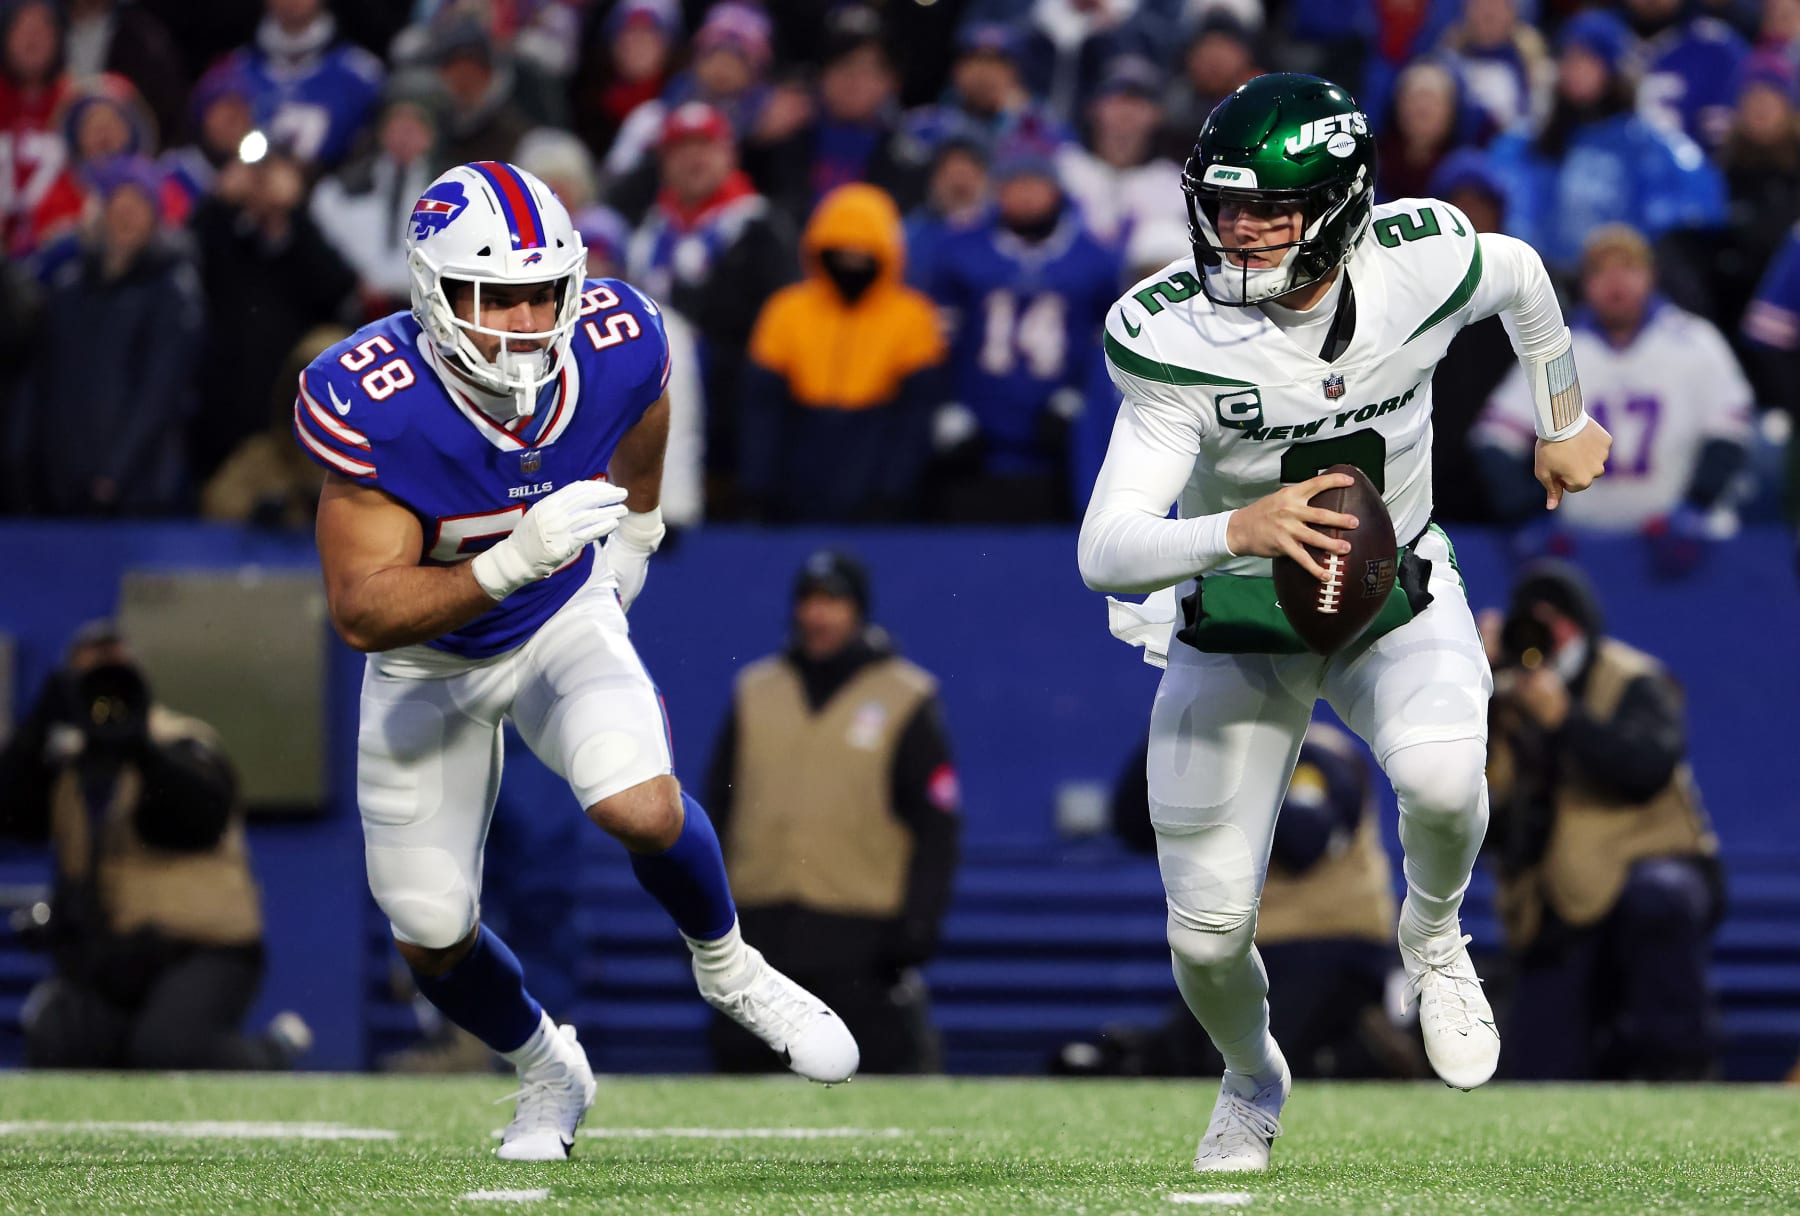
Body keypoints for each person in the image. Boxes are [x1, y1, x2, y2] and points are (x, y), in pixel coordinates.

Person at [1077, 73, 1611, 1172]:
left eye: (1269, 211)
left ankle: (1435, 934)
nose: (1239, 231)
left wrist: (1565, 417)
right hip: (1236, 616)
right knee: (1209, 933)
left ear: (1340, 205)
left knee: (1448, 780)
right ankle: (1251, 1076)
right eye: (1224, 208)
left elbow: (1521, 276)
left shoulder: (1420, 262)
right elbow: (1106, 547)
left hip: (1395, 593)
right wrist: (1238, 527)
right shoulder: (1173, 331)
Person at [294, 160, 857, 1160]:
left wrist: (631, 541)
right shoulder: (371, 393)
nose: (519, 321)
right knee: (428, 930)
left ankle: (728, 966)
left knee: (635, 802)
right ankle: (550, 1068)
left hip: (562, 619)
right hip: (429, 663)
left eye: (538, 293)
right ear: (432, 293)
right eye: (491, 296)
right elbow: (364, 611)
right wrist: (509, 561)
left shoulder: (618, 337)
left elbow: (644, 426)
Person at [0, 622, 307, 1071]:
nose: (102, 698)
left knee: (171, 1048)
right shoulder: (64, 764)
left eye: (114, 680)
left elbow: (197, 821)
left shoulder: (182, 740)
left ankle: (273, 1052)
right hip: (111, 957)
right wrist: (39, 723)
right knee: (58, 1044)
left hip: (204, 947)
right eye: (88, 683)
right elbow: (11, 819)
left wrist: (139, 746)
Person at [706, 550, 961, 1075]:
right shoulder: (756, 690)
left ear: (858, 610)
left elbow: (936, 827)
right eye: (809, 601)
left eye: (833, 601)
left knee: (868, 1100)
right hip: (758, 938)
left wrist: (917, 930)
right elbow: (715, 809)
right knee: (741, 1101)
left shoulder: (905, 696)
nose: (818, 615)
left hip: (860, 941)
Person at [1056, 721, 1423, 1081]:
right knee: (1185, 1063)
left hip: (1325, 943)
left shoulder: (1317, 751)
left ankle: (1361, 1051)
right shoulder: (1208, 751)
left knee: (1245, 1067)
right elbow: (1134, 825)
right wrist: (1167, 727)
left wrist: (1227, 762)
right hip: (1240, 946)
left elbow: (1304, 842)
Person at [1481, 560, 1723, 1080]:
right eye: (1532, 619)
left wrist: (1566, 721)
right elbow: (1484, 820)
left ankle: (1683, 1069)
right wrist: (1473, 689)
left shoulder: (1632, 678)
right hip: (1558, 897)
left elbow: (1648, 768)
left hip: (1644, 871)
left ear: (1579, 623)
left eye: (1556, 618)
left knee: (1660, 898)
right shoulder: (1501, 695)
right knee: (1537, 1069)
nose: (1544, 633)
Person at [1475, 224, 1752, 573]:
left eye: (1628, 267)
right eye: (1600, 271)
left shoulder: (1694, 341)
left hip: (1680, 551)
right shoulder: (1559, 350)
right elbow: (1495, 438)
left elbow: (1730, 430)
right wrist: (1528, 514)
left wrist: (1697, 506)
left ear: (1651, 276)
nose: (1615, 281)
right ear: (1584, 284)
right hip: (1584, 554)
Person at [926, 147, 1121, 521]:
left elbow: (1107, 344)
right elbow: (939, 341)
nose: (1027, 195)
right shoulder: (958, 252)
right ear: (998, 191)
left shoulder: (1095, 259)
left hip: (1057, 436)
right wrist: (945, 405)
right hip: (976, 429)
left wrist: (1079, 399)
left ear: (1057, 191)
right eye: (1016, 184)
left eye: (1037, 184)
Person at [739, 183, 946, 522]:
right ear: (819, 250)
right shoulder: (786, 311)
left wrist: (895, 489)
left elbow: (915, 419)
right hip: (800, 458)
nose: (851, 263)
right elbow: (763, 411)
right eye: (841, 251)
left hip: (875, 455)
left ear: (886, 254)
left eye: (863, 253)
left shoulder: (914, 317)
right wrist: (757, 486)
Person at [14, 158, 200, 516]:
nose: (126, 215)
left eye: (138, 205)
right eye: (118, 203)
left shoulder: (173, 291)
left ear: (156, 218)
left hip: (139, 494)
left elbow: (160, 393)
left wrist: (113, 474)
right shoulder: (67, 288)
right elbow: (43, 382)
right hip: (60, 488)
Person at [1483, 9, 1725, 277]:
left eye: (1588, 60)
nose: (1576, 70)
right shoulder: (1535, 139)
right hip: (1538, 280)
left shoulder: (1644, 143)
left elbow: (1695, 201)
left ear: (1612, 69)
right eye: (1570, 59)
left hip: (1620, 282)